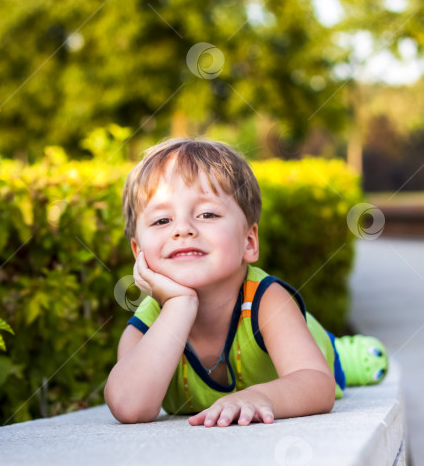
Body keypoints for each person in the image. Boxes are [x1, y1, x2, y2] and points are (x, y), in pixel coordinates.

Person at [104, 138, 388, 427]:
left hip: (313, 348)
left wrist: (260, 396)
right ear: (139, 253)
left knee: (341, 362)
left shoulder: (267, 300)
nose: (183, 229)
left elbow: (317, 383)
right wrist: (179, 305)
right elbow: (129, 407)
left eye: (207, 214)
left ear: (249, 242)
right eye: (162, 220)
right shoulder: (146, 327)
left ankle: (345, 353)